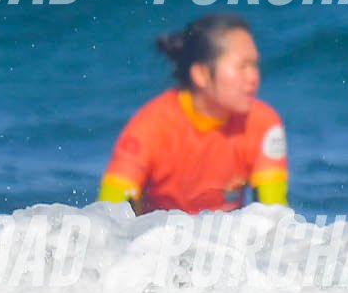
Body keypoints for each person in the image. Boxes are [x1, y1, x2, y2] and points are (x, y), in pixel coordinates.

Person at [99, 13, 287, 213]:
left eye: (254, 65)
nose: (254, 77)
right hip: (155, 232)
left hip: (229, 232)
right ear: (201, 75)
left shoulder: (262, 123)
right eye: (242, 67)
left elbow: (275, 215)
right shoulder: (151, 127)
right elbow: (108, 214)